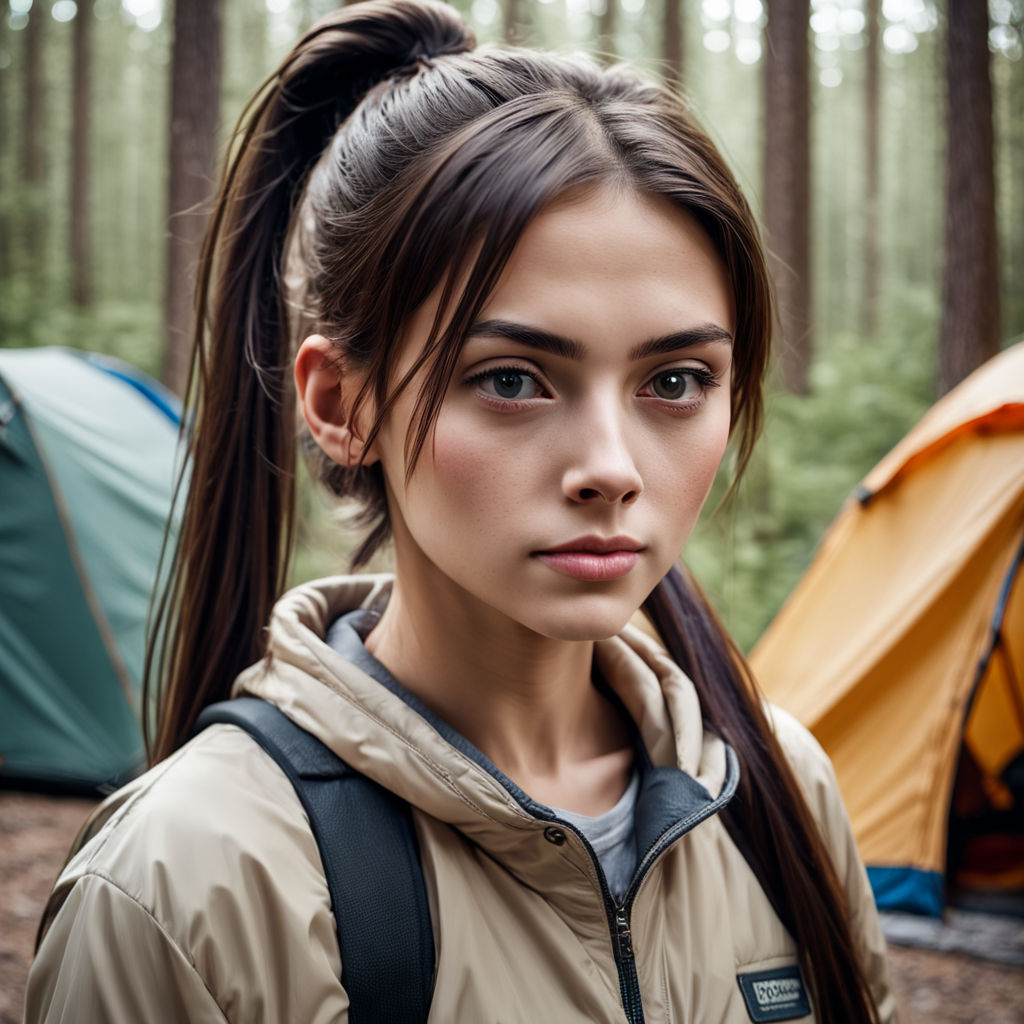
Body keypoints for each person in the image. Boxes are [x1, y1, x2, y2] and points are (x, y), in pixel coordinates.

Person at [26, 1, 897, 1020]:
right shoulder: (189, 880)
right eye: (514, 378)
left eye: (675, 380)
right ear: (341, 404)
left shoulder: (779, 796)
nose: (611, 468)